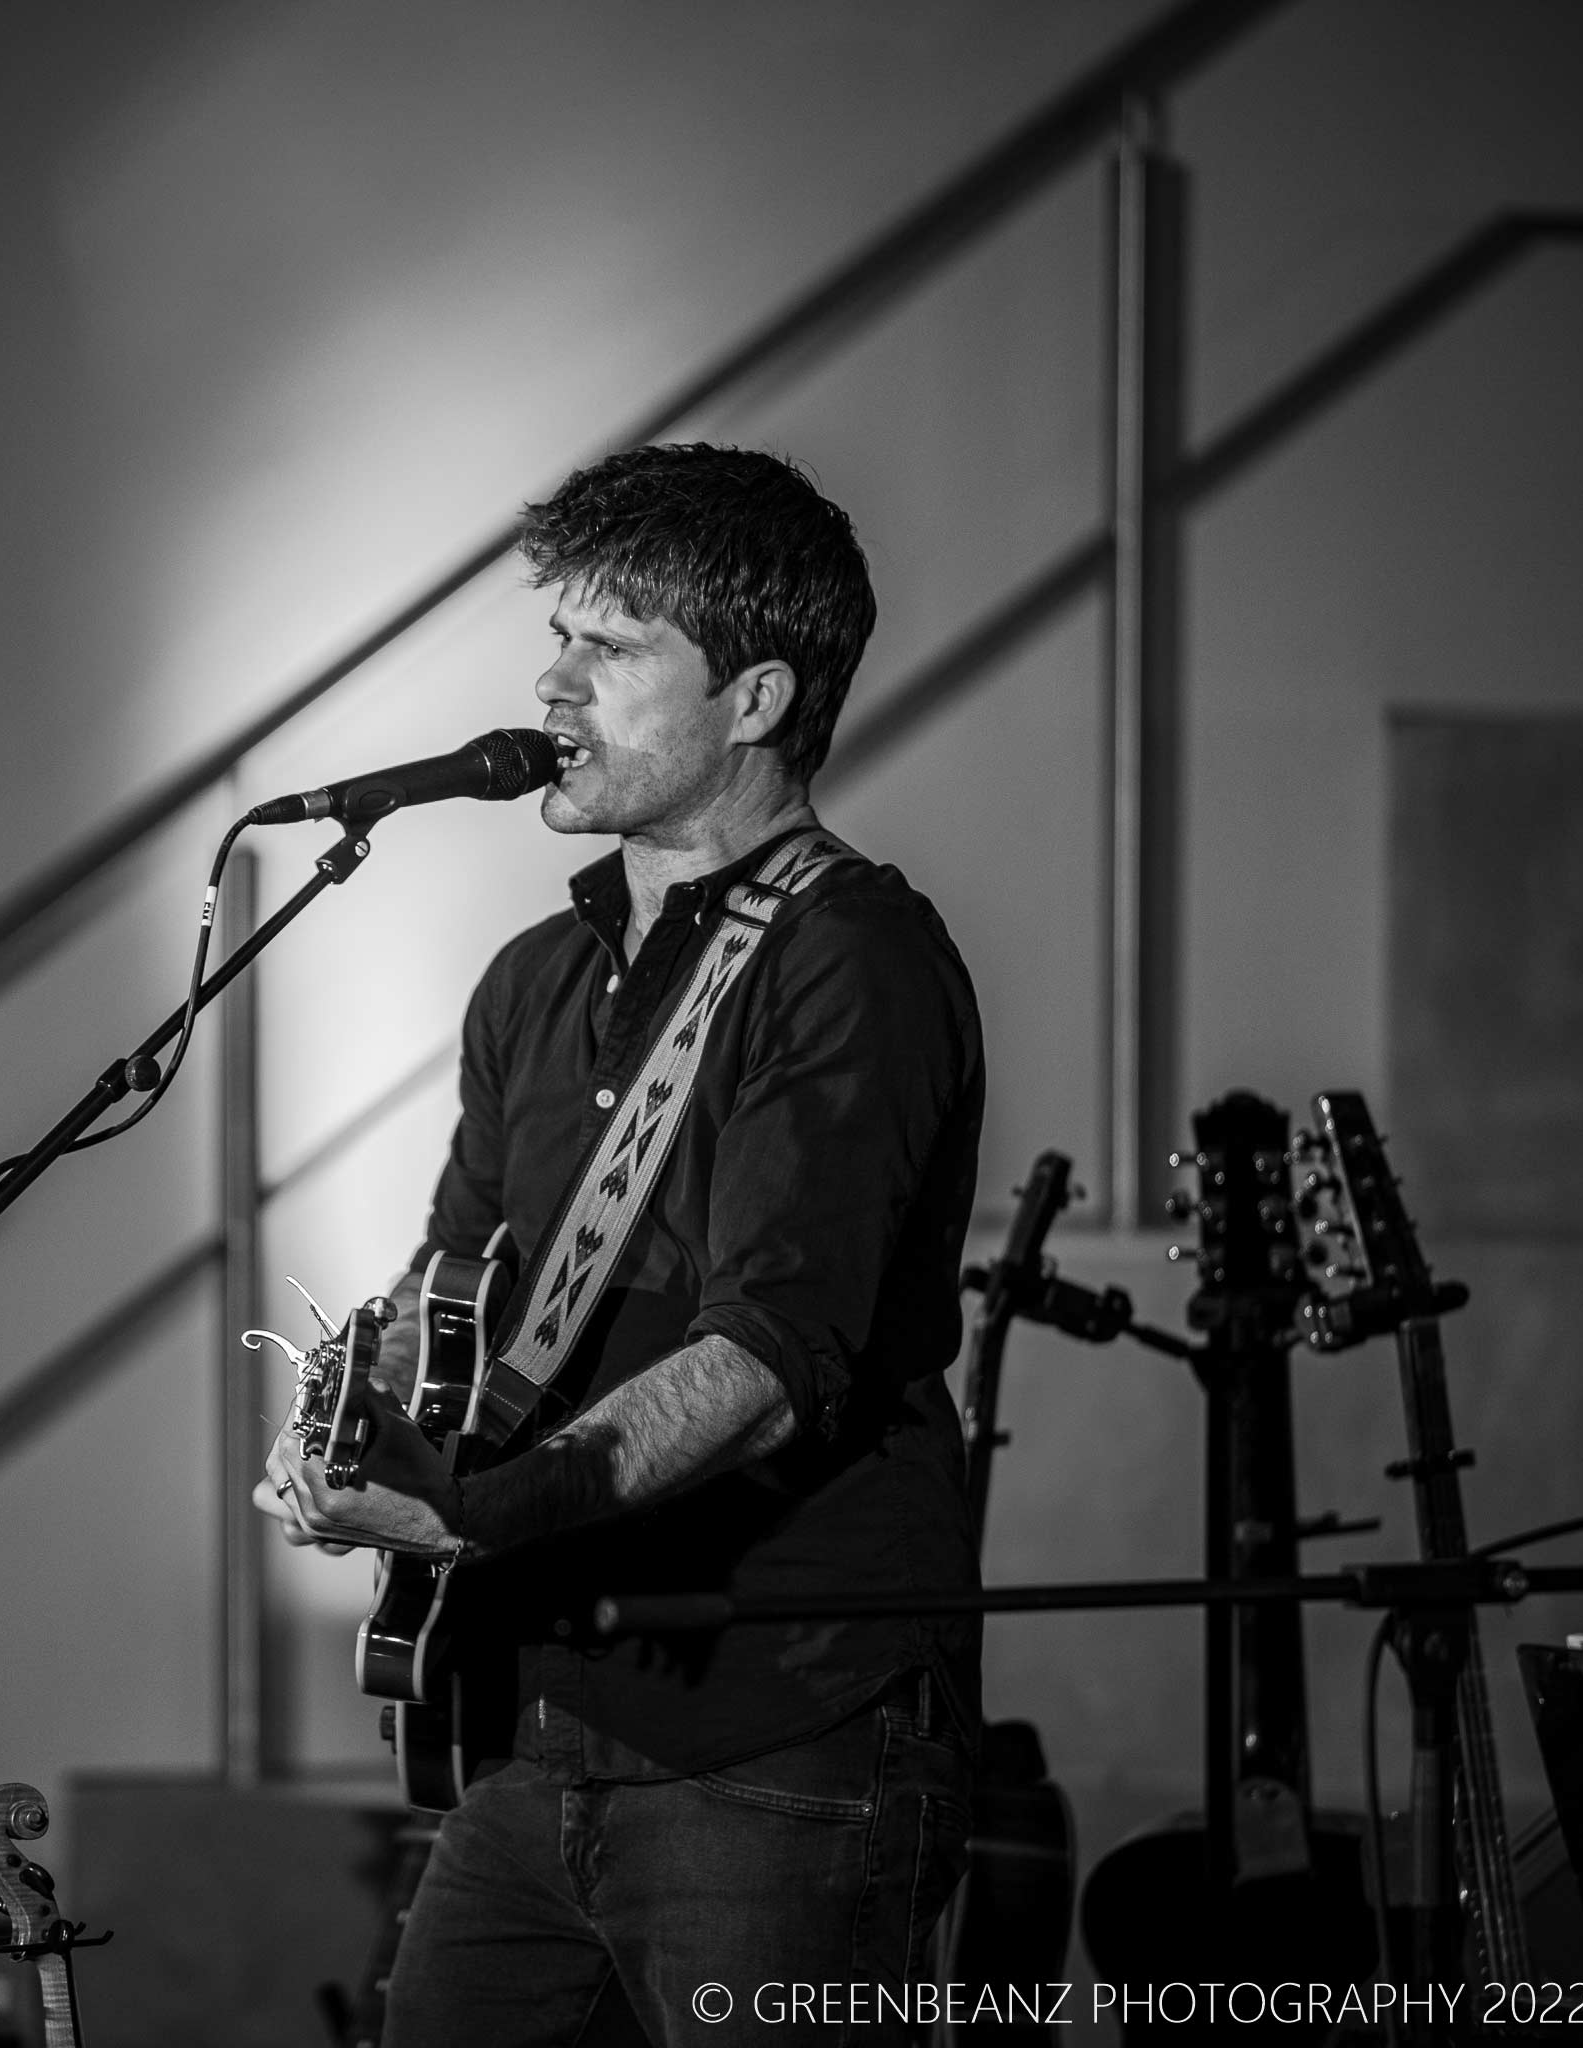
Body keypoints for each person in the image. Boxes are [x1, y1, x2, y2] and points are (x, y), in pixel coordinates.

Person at [255, 443, 985, 2046]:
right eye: (557, 637)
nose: (552, 681)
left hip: (775, 1733)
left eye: (612, 645)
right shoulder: (533, 977)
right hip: (532, 1733)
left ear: (757, 697)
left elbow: (773, 1363)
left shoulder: (850, 959)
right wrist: (358, 1422)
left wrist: (477, 1514)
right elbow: (451, 1294)